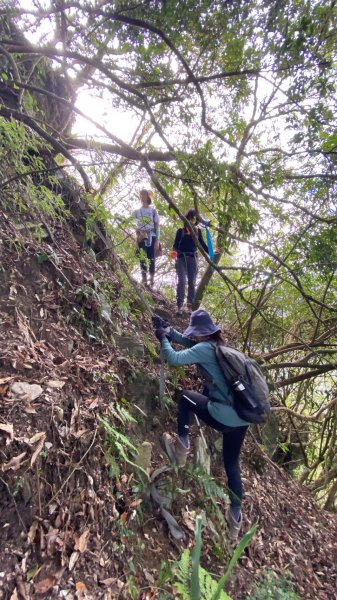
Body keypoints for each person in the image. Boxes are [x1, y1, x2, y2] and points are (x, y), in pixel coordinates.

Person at [152, 309, 249, 541]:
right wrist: (171, 332)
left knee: (184, 397)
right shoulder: (222, 348)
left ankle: (181, 450)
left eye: (195, 333)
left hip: (222, 414)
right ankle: (235, 519)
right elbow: (190, 344)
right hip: (242, 418)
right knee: (231, 463)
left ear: (201, 333)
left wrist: (164, 338)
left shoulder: (205, 349)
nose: (193, 336)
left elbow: (174, 359)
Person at [171, 210, 208, 314]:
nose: (191, 220)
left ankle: (189, 306)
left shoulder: (197, 232)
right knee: (182, 280)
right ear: (186, 219)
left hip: (193, 258)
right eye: (190, 218)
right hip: (181, 258)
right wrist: (174, 255)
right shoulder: (180, 231)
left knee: (192, 282)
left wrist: (212, 252)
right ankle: (179, 306)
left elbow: (202, 245)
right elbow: (175, 245)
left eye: (193, 219)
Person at [132, 189, 160, 287]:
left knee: (151, 258)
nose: (142, 196)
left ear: (148, 196)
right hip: (141, 236)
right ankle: (144, 279)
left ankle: (151, 279)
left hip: (151, 236)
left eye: (144, 194)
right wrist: (119, 218)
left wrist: (157, 240)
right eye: (141, 195)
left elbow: (157, 226)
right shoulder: (137, 211)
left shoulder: (153, 211)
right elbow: (129, 219)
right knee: (142, 257)